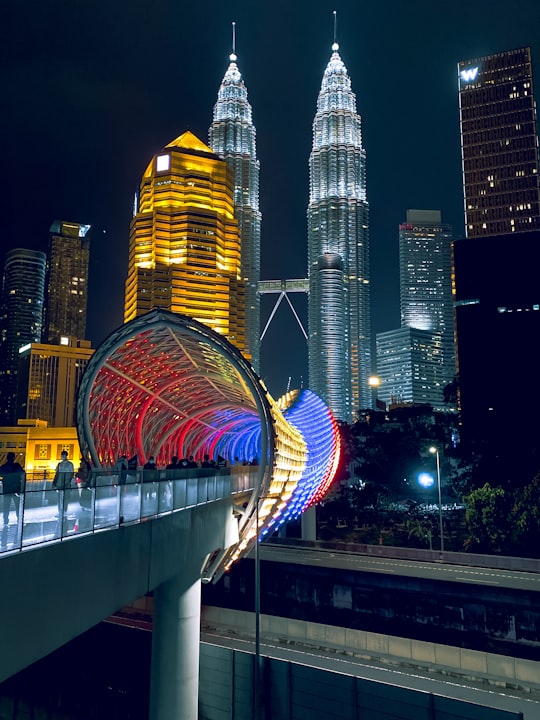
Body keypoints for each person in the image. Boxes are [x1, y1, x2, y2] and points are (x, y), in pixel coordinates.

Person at [0, 452, 25, 526]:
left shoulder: (3, 467)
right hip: (16, 489)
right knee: (18, 505)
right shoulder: (16, 466)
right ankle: (19, 519)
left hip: (7, 489)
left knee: (6, 505)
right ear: (13, 458)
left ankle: (5, 520)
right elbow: (22, 473)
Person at [52, 450, 75, 517]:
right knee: (60, 498)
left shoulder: (69, 464)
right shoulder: (60, 464)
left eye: (63, 455)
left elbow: (71, 474)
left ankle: (64, 510)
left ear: (66, 456)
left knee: (65, 498)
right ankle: (60, 511)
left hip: (66, 484)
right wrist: (54, 483)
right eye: (62, 455)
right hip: (61, 483)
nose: (62, 457)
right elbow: (57, 474)